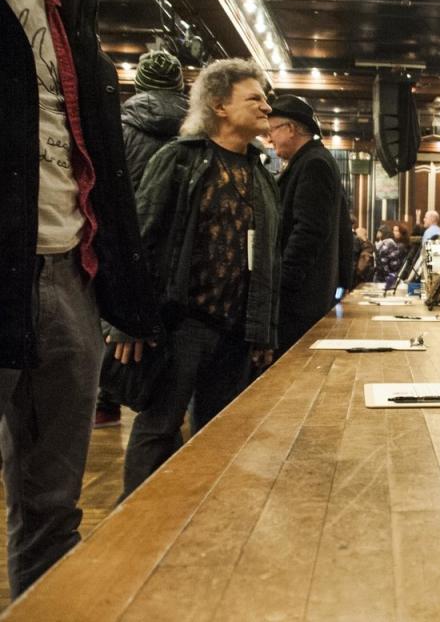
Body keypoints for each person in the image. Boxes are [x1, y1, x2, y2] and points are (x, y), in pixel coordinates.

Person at [1, 0, 160, 596]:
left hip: (71, 270)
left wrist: (129, 302)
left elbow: (102, 166)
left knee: (53, 507)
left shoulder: (72, 11)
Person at [121, 58, 281, 498]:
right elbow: (141, 236)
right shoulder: (178, 159)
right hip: (181, 325)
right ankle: (134, 527)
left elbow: (269, 260)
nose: (267, 106)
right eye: (255, 98)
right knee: (157, 430)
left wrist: (263, 332)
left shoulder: (262, 176)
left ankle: (200, 526)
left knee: (221, 438)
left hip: (236, 332)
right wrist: (127, 320)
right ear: (219, 105)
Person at [95, 49, 188, 428]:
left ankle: (107, 401)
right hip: (181, 248)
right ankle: (169, 405)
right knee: (177, 329)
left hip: (124, 239)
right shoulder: (196, 132)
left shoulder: (117, 126)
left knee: (115, 320)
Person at [266, 95, 351, 355]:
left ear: (290, 129)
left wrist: (283, 280)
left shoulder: (314, 163)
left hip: (301, 298)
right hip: (307, 294)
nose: (269, 139)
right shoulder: (313, 160)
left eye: (272, 131)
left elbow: (309, 231)